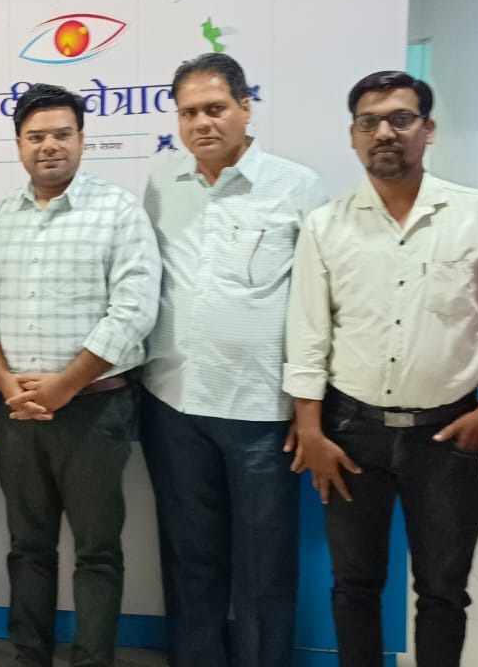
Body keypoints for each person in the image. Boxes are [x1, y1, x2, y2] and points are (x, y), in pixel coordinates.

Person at [287, 71, 478, 667]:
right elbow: (308, 336)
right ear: (353, 136)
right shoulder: (325, 226)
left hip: (447, 435)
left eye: (400, 119)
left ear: (428, 128)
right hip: (350, 432)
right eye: (369, 122)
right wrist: (310, 430)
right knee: (354, 583)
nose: (384, 132)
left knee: (444, 590)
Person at [0, 83, 161, 667]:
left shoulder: (118, 211)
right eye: (36, 136)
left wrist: (64, 384)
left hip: (95, 411)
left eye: (61, 134)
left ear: (81, 139)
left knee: (98, 551)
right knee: (28, 547)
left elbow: (134, 311)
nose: (49, 145)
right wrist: (6, 384)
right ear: (18, 145)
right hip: (17, 411)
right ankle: (30, 657)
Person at [138, 53, 328, 667]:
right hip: (173, 403)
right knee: (189, 558)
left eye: (215, 108)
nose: (202, 123)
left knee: (263, 566)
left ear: (246, 108)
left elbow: (317, 304)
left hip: (261, 411)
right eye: (189, 112)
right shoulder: (161, 186)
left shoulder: (298, 186)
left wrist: (307, 405)